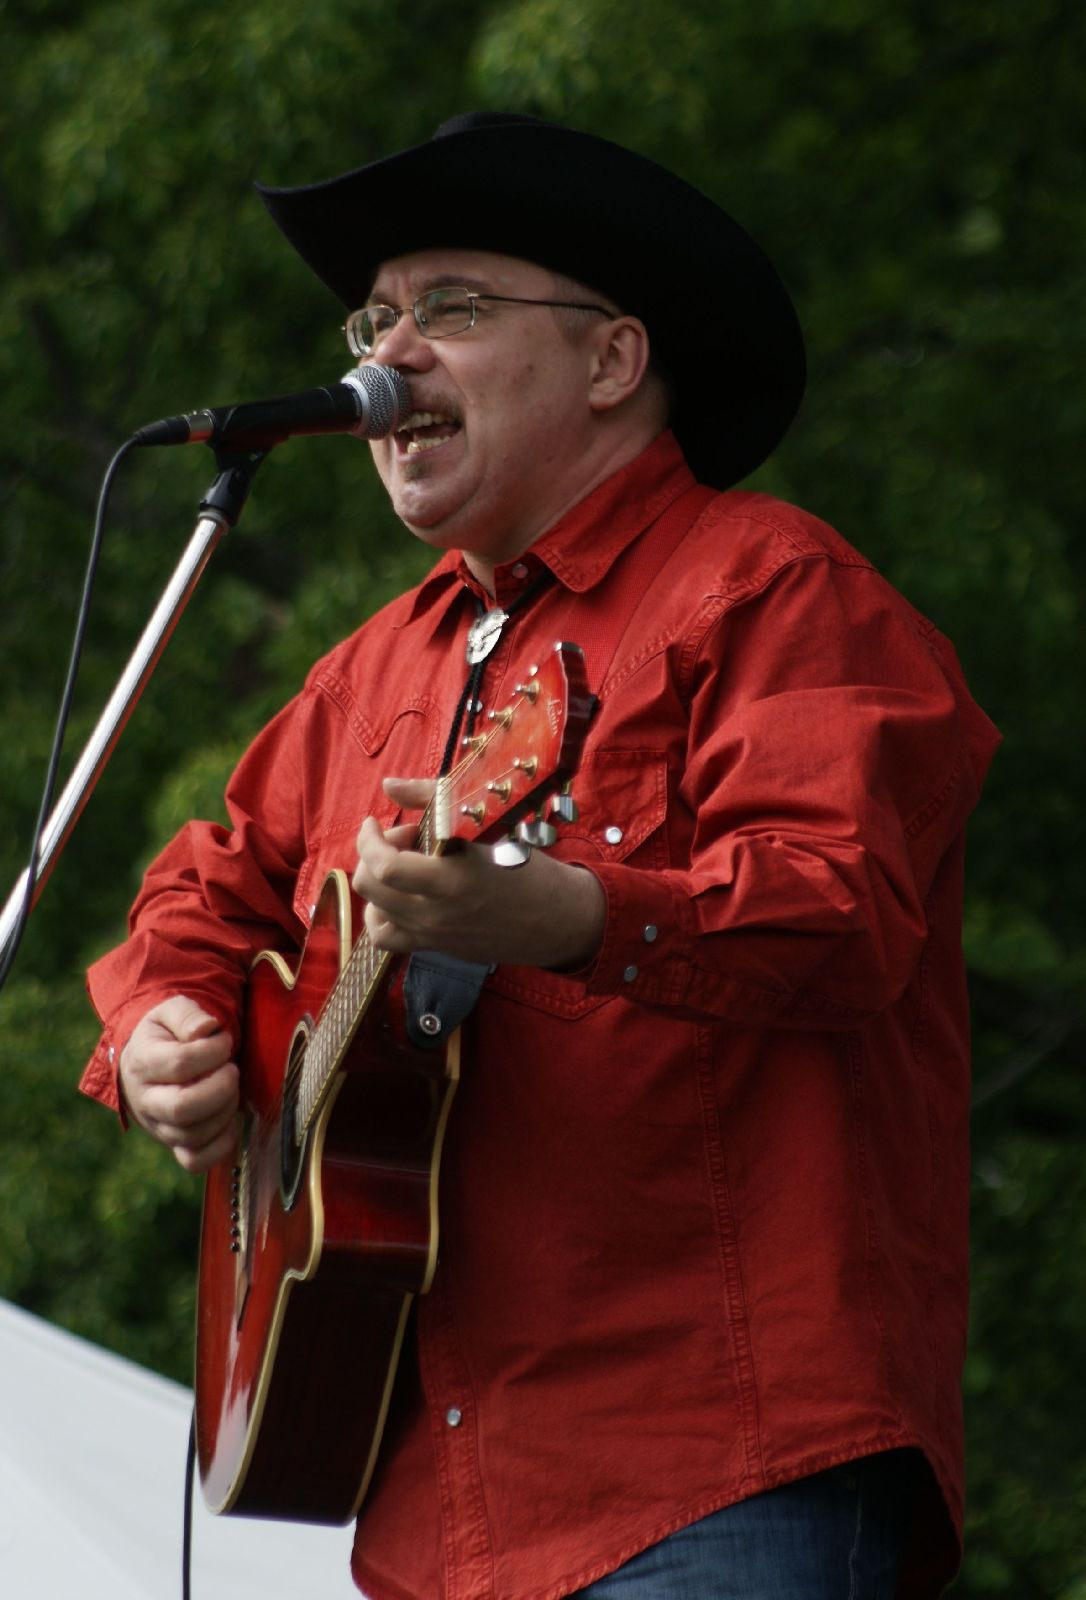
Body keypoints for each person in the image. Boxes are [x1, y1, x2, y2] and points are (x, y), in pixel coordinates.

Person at [79, 112, 1000, 1599]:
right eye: (375, 316)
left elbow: (841, 918)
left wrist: (570, 913)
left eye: (450, 306)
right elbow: (194, 894)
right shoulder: (368, 673)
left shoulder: (776, 592)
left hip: (715, 1464)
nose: (391, 354)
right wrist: (156, 1037)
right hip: (433, 1517)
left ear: (611, 361)